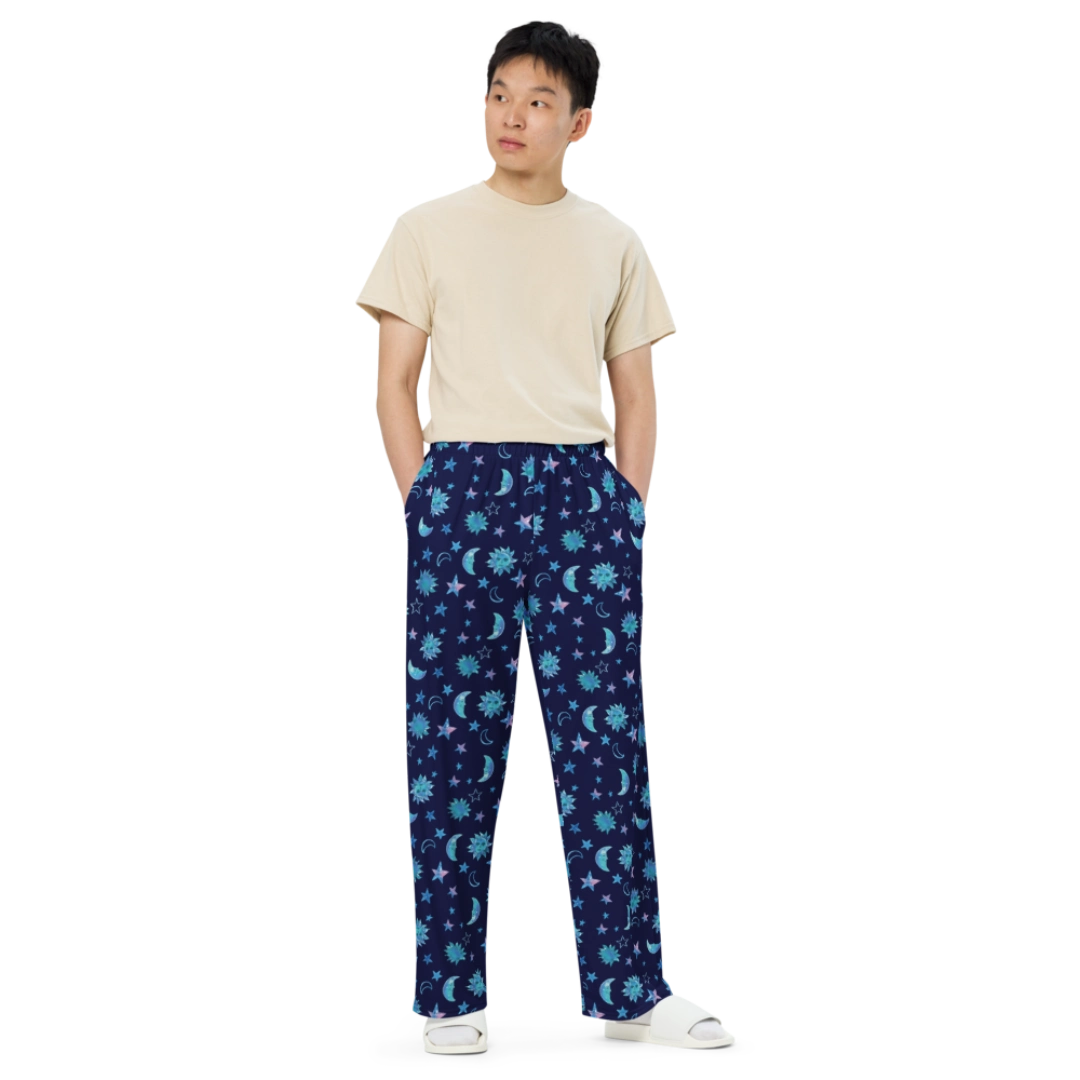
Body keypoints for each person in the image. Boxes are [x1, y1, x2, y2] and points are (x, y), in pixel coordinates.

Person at [358, 19, 730, 1055]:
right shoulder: (426, 227)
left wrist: (627, 511)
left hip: (582, 493)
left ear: (581, 123)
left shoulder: (613, 239)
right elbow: (395, 380)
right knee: (449, 747)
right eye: (498, 94)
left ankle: (629, 992)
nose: (511, 116)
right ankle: (451, 998)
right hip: (461, 488)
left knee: (605, 750)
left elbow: (636, 394)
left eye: (537, 101)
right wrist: (423, 500)